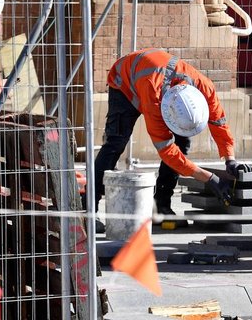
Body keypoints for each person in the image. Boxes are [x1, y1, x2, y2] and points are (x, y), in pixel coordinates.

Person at [95, 48, 242, 223]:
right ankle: (87, 209)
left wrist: (230, 158)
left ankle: (162, 205)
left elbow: (219, 124)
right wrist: (208, 178)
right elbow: (167, 151)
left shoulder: (205, 88)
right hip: (124, 82)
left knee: (182, 141)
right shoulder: (153, 98)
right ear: (167, 111)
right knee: (116, 143)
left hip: (153, 79)